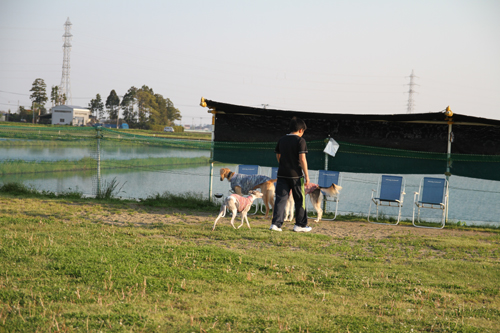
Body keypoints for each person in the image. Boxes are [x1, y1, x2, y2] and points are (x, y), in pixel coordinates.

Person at [270, 117, 312, 232]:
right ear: (300, 130)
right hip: (296, 175)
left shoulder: (282, 139)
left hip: (282, 174)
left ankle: (276, 224)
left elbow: (278, 155)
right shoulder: (300, 141)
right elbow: (302, 159)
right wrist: (307, 176)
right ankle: (300, 225)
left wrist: (283, 164)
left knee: (280, 199)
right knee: (300, 199)